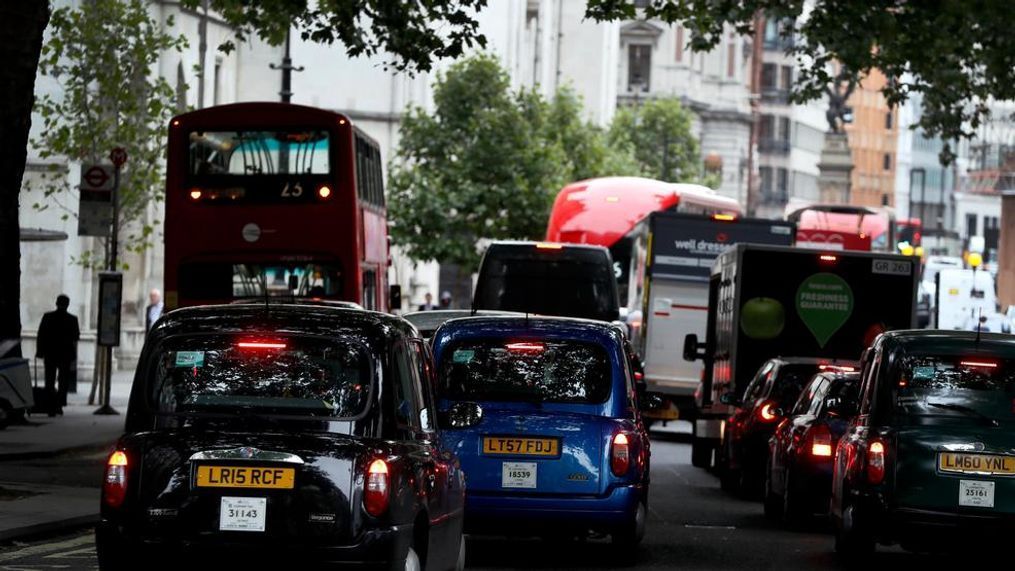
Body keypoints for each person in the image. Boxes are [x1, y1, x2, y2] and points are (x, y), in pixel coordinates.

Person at [36, 294, 80, 416]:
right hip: (65, 354)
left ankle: (50, 405)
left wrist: (39, 351)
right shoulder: (72, 319)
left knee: (49, 380)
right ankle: (59, 404)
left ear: (56, 303)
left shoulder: (48, 317)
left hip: (50, 353)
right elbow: (76, 337)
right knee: (63, 381)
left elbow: (41, 335)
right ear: (68, 305)